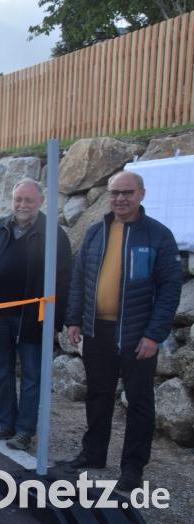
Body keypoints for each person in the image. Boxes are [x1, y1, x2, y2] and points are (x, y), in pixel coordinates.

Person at [58, 171, 182, 491]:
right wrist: (74, 320)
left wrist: (154, 335)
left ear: (141, 194)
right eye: (114, 193)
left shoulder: (158, 235)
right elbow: (79, 279)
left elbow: (170, 289)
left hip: (137, 334)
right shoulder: (96, 232)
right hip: (97, 331)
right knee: (98, 396)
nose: (120, 198)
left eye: (127, 192)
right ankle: (93, 453)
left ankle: (132, 468)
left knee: (139, 402)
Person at [0, 180, 72, 450]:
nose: (22, 205)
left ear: (40, 201)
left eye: (28, 200)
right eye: (18, 199)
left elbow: (63, 280)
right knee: (1, 372)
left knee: (31, 376)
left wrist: (55, 321)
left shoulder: (53, 234)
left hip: (33, 318)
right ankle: (5, 424)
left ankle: (25, 430)